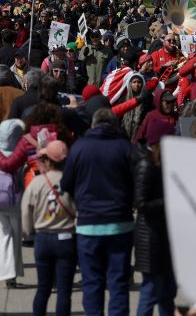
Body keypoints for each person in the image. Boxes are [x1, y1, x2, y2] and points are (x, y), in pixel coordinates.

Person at [61, 108, 134, 316]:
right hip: (120, 224)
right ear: (114, 125)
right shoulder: (124, 147)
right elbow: (136, 182)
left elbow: (66, 184)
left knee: (92, 283)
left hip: (88, 225)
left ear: (93, 125)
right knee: (118, 282)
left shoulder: (79, 147)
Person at [21, 140, 77, 316]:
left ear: (48, 160)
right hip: (66, 238)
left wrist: (29, 231)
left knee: (43, 288)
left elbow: (26, 210)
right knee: (64, 291)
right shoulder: (72, 181)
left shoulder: (37, 182)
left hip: (43, 238)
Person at [132, 119, 177, 316]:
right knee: (151, 291)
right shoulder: (146, 165)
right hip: (150, 239)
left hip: (162, 237)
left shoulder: (162, 164)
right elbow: (141, 203)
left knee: (168, 291)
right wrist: (168, 201)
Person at [0, 120, 27, 287]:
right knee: (15, 239)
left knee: (1, 238)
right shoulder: (20, 156)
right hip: (15, 203)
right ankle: (13, 273)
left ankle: (6, 272)